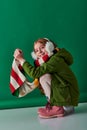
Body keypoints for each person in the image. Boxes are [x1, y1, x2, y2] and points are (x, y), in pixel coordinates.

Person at [13, 38, 79, 119]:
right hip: (65, 93)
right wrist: (19, 60)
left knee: (44, 77)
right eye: (36, 50)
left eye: (42, 47)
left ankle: (57, 107)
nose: (39, 51)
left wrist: (21, 60)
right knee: (44, 76)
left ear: (50, 46)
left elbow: (35, 73)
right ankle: (56, 105)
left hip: (69, 94)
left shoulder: (55, 59)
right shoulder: (47, 60)